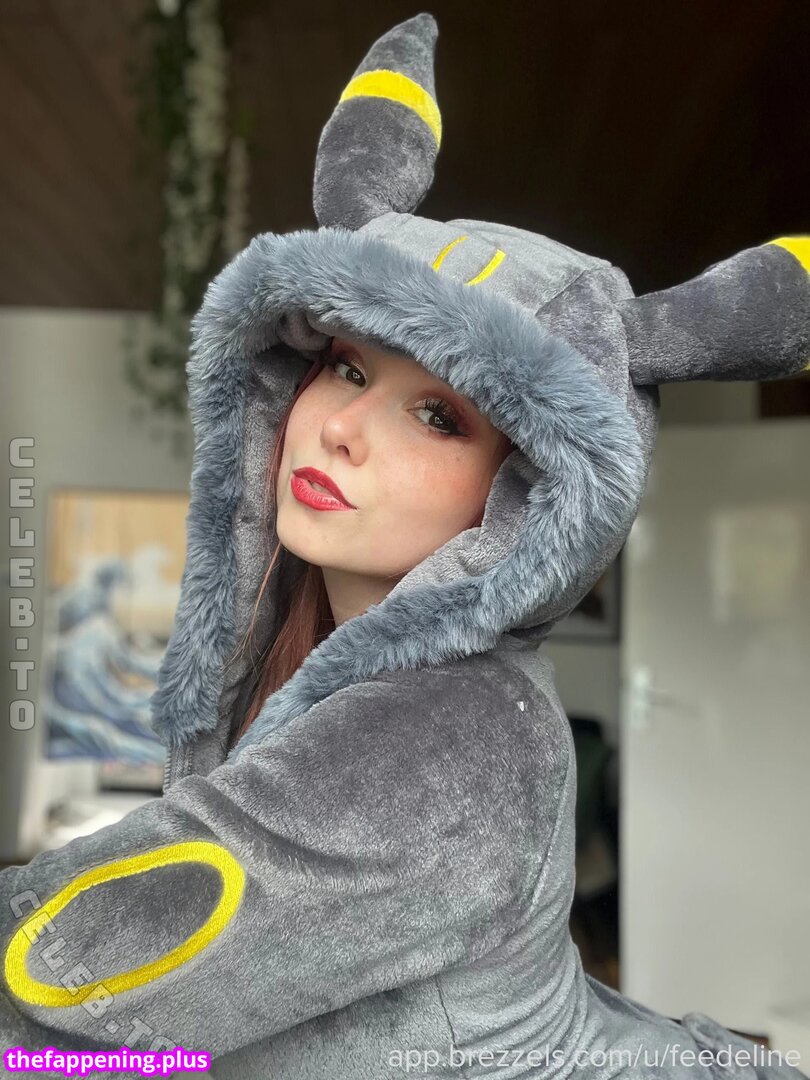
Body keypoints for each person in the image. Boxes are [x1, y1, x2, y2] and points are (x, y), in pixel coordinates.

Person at [2, 13, 809, 1080]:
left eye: (438, 416)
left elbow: (64, 985)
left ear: (529, 491)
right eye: (347, 366)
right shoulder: (300, 658)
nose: (342, 426)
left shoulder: (458, 738)